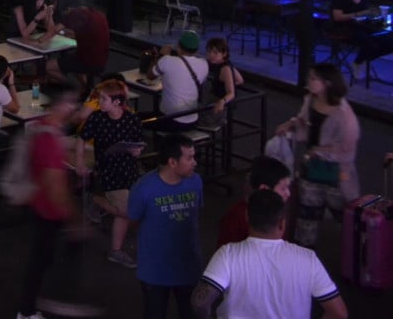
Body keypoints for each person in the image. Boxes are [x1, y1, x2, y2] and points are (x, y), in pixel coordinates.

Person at [193, 190, 346, 319]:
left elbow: (200, 302)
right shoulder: (308, 259)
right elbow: (339, 313)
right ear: (281, 223)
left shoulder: (227, 255)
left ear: (247, 218)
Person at [16, 82, 92, 319]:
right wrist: (74, 219)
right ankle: (32, 309)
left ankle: (38, 304)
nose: (74, 107)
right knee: (42, 261)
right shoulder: (50, 139)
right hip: (50, 211)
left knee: (43, 259)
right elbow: (55, 187)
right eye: (71, 102)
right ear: (60, 105)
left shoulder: (43, 128)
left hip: (41, 206)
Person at [274, 62, 360, 248]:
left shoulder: (344, 115)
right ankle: (303, 251)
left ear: (327, 83)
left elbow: (346, 151)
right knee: (306, 214)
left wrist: (319, 152)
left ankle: (356, 255)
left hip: (337, 175)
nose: (309, 81)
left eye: (313, 78)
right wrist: (291, 125)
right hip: (311, 168)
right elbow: (303, 121)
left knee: (343, 214)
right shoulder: (310, 100)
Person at [124, 132, 204, 319]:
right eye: (189, 157)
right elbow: (133, 220)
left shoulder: (196, 182)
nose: (195, 162)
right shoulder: (143, 188)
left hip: (188, 267)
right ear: (172, 162)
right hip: (155, 271)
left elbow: (195, 214)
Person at [77, 79, 146, 268]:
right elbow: (82, 139)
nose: (100, 102)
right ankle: (95, 199)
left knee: (127, 212)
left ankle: (116, 250)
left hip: (129, 169)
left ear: (116, 102)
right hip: (108, 170)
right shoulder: (97, 118)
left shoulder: (131, 119)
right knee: (125, 212)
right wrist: (81, 161)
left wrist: (136, 151)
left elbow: (138, 144)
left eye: (104, 99)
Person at [217, 156, 293, 246]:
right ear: (264, 189)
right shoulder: (235, 219)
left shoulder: (279, 211)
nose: (288, 193)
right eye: (283, 188)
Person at [147, 31, 209, 131]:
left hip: (169, 120)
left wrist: (160, 55)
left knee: (136, 119)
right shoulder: (204, 64)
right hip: (193, 120)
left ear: (178, 46)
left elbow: (150, 76)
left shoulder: (167, 60)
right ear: (196, 49)